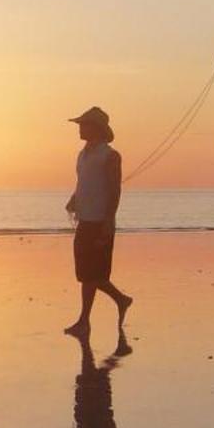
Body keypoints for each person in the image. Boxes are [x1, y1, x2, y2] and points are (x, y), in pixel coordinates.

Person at [62, 106, 133, 339]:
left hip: (100, 221)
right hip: (85, 219)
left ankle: (86, 320)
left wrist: (108, 221)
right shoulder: (82, 155)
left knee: (95, 275)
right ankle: (119, 302)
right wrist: (74, 198)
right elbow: (84, 182)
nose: (80, 128)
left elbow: (115, 190)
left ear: (97, 128)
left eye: (84, 124)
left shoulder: (110, 156)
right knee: (86, 275)